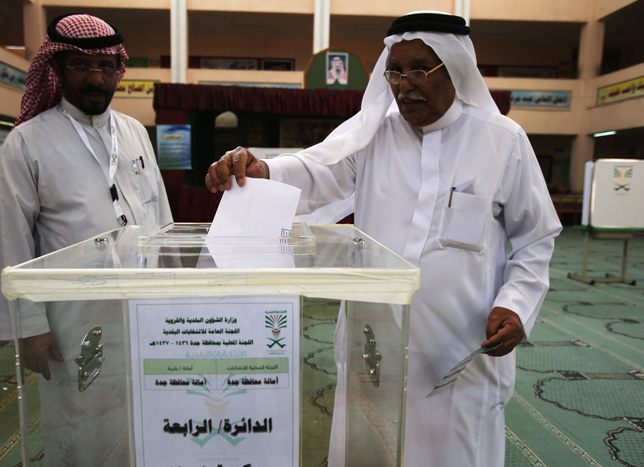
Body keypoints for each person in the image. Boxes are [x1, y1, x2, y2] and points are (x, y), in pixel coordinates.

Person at [205, 10, 562, 467]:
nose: (403, 84)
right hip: (373, 343)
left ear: (454, 68)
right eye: (395, 71)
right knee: (367, 446)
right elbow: (317, 171)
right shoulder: (374, 136)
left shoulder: (502, 140)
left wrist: (516, 304)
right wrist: (263, 170)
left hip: (460, 348)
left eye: (419, 70)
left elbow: (536, 236)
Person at [0, 13, 172, 464]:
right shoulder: (27, 142)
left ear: (119, 70)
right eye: (80, 65)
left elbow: (161, 216)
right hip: (72, 317)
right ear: (56, 69)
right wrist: (29, 329)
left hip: (145, 307)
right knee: (80, 420)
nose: (96, 78)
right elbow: (13, 240)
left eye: (107, 67)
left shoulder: (134, 132)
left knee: (147, 413)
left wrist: (176, 294)